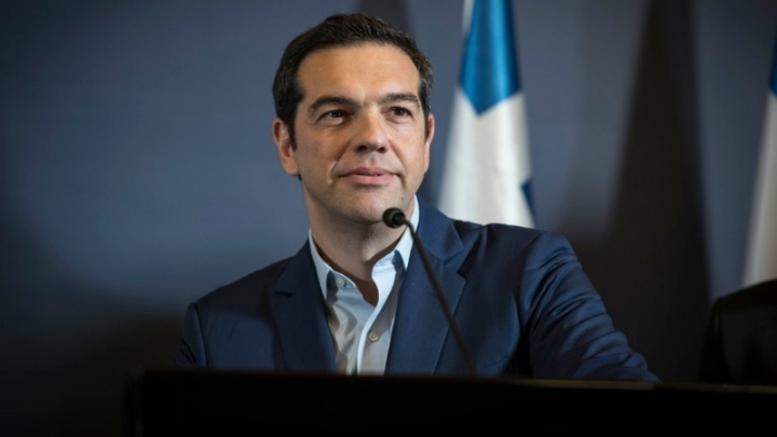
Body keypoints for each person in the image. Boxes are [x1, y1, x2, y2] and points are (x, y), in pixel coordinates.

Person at [175, 13, 658, 382]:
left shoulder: (532, 274)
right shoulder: (216, 331)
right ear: (287, 146)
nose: (373, 137)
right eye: (337, 113)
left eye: (398, 112)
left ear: (426, 140)